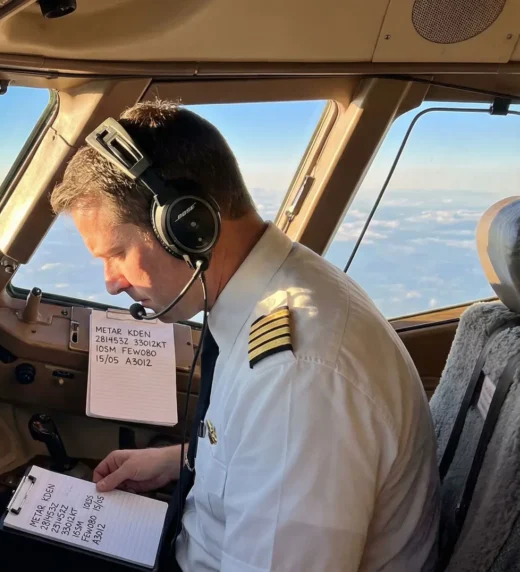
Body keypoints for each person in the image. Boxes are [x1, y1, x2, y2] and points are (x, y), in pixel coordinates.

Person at [48, 101, 440, 570]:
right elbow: (269, 454)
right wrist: (182, 460)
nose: (111, 281)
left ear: (186, 225)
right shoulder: (270, 296)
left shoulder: (298, 377)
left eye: (116, 252)